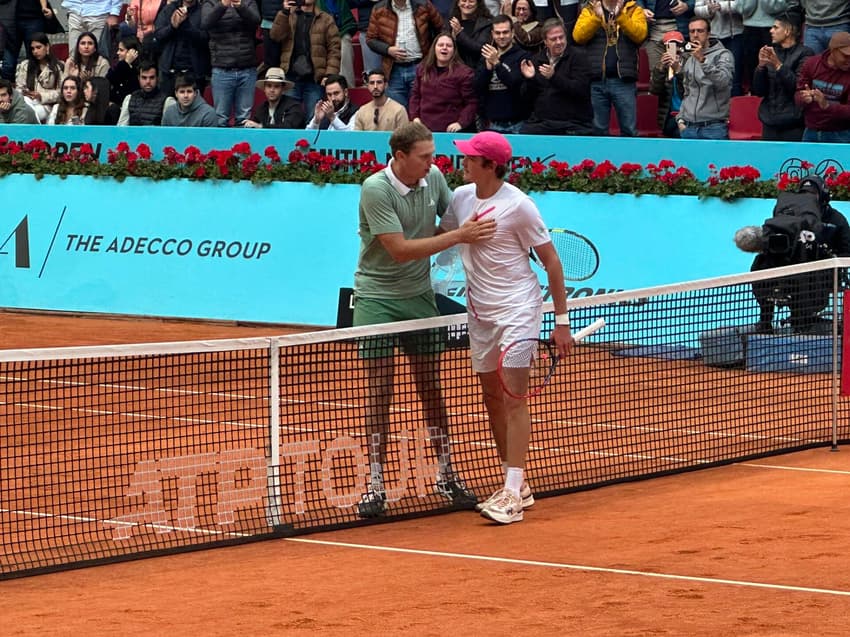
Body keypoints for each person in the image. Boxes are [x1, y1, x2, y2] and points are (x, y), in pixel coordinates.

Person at [354, 121, 497, 518]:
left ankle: (446, 475)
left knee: (431, 388)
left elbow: (451, 220)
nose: (434, 162)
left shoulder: (432, 178)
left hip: (418, 297)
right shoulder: (376, 189)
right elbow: (400, 250)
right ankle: (375, 483)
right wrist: (458, 237)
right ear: (400, 157)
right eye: (424, 156)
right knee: (380, 390)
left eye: (433, 154)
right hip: (377, 299)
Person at [440, 130, 572, 525]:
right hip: (479, 312)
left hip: (518, 309)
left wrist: (561, 322)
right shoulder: (461, 198)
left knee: (514, 395)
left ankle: (512, 492)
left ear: (490, 166)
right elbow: (443, 237)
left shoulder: (520, 207)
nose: (462, 162)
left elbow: (551, 263)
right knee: (491, 396)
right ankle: (517, 481)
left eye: (470, 158)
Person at [735, 176, 850, 334]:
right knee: (759, 266)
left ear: (823, 196)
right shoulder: (789, 215)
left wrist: (831, 259)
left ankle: (801, 320)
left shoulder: (837, 220)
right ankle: (765, 321)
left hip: (823, 271)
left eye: (813, 193)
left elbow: (846, 251)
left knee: (807, 275)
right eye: (805, 193)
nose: (808, 197)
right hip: (789, 267)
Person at [572, 0, 648, 137]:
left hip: (624, 80)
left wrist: (621, 16)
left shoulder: (633, 9)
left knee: (629, 130)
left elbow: (640, 35)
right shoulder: (589, 9)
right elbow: (578, 36)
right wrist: (596, 17)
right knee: (598, 130)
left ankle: (630, 159)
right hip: (596, 79)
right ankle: (598, 159)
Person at [519, 17, 593, 135]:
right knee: (525, 132)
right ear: (545, 41)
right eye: (553, 39)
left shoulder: (579, 57)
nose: (559, 42)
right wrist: (530, 79)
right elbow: (526, 98)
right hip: (544, 122)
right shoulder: (536, 60)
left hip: (573, 122)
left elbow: (581, 90)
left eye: (561, 37)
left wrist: (554, 77)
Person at [365, 0, 444, 110]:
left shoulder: (423, 5)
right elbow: (370, 39)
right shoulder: (379, 9)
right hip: (393, 70)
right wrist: (388, 50)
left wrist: (433, 55)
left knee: (421, 110)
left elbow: (442, 29)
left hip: (420, 66)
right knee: (397, 113)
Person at [270, 0, 341, 118]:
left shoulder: (326, 19)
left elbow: (335, 49)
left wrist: (329, 74)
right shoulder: (288, 15)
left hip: (314, 80)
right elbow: (275, 36)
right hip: (291, 78)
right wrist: (284, 12)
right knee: (287, 119)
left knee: (314, 119)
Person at [751, 10, 812, 141]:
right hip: (769, 121)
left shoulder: (805, 54)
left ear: (788, 31)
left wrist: (778, 65)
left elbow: (797, 86)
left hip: (793, 123)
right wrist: (760, 67)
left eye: (775, 27)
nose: (771, 31)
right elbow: (759, 91)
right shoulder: (772, 52)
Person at [201, 0, 261, 127]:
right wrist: (223, 5)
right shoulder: (210, 3)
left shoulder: (248, 2)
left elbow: (256, 20)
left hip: (247, 68)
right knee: (221, 117)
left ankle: (244, 146)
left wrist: (240, 6)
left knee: (244, 119)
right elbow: (205, 22)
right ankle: (220, 146)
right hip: (222, 69)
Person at [672, 16, 733, 139]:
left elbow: (724, 82)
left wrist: (703, 60)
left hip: (713, 127)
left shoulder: (723, 54)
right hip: (688, 127)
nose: (695, 35)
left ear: (708, 33)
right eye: (692, 31)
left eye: (700, 31)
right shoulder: (689, 57)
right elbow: (687, 91)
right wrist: (680, 119)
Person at [408, 32, 477, 132]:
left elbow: (472, 103)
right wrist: (415, 117)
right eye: (440, 45)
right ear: (434, 48)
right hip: (424, 130)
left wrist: (460, 123)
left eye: (449, 46)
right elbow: (415, 95)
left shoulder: (464, 73)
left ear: (454, 50)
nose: (444, 48)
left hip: (451, 130)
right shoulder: (422, 69)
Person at [473, 13, 530, 133]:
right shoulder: (485, 57)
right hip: (492, 124)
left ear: (512, 33)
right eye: (498, 33)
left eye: (505, 32)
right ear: (492, 34)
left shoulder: (522, 56)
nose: (501, 36)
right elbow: (477, 89)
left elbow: (516, 85)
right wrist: (487, 69)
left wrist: (497, 64)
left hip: (518, 123)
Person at [795, 31, 850, 144]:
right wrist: (804, 98)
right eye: (845, 56)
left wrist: (827, 106)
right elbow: (798, 95)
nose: (849, 61)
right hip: (811, 130)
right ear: (833, 51)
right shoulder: (811, 64)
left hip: (841, 133)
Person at [154, 0, 211, 98]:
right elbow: (158, 35)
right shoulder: (170, 9)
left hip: (195, 72)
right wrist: (172, 27)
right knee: (168, 107)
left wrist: (186, 25)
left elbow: (206, 38)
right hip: (170, 72)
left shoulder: (203, 11)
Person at [694, 0, 743, 96]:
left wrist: (721, 6)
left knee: (735, 76)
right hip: (713, 36)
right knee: (712, 72)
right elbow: (697, 9)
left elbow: (742, 5)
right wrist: (708, 9)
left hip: (735, 35)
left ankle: (735, 106)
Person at [14, 31, 63, 122]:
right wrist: (26, 93)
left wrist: (41, 95)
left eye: (38, 47)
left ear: (47, 47)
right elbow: (19, 89)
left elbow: (62, 93)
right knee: (24, 104)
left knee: (30, 113)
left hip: (48, 105)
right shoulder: (25, 65)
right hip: (29, 102)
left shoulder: (58, 67)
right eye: (33, 49)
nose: (35, 51)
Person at [650, 28, 685, 136]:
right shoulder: (661, 66)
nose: (674, 50)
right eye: (669, 46)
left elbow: (689, 89)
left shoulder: (690, 63)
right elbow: (655, 91)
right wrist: (661, 69)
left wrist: (678, 70)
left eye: (677, 45)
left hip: (687, 115)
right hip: (669, 116)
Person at [118, 60, 171, 125]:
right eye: (144, 78)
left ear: (157, 78)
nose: (148, 81)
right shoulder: (129, 99)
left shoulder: (167, 101)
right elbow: (121, 129)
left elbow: (167, 132)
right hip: (133, 135)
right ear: (138, 78)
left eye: (152, 78)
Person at [449, 0, 492, 68]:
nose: (467, 4)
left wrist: (459, 33)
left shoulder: (486, 24)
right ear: (458, 3)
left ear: (478, 4)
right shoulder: (451, 22)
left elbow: (480, 49)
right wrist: (453, 39)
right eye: (464, 1)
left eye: (471, 1)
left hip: (475, 70)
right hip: (453, 69)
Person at [107, 35, 141, 107]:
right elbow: (110, 79)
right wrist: (125, 63)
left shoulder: (139, 70)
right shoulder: (118, 66)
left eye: (121, 50)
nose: (117, 53)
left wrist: (126, 63)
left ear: (132, 52)